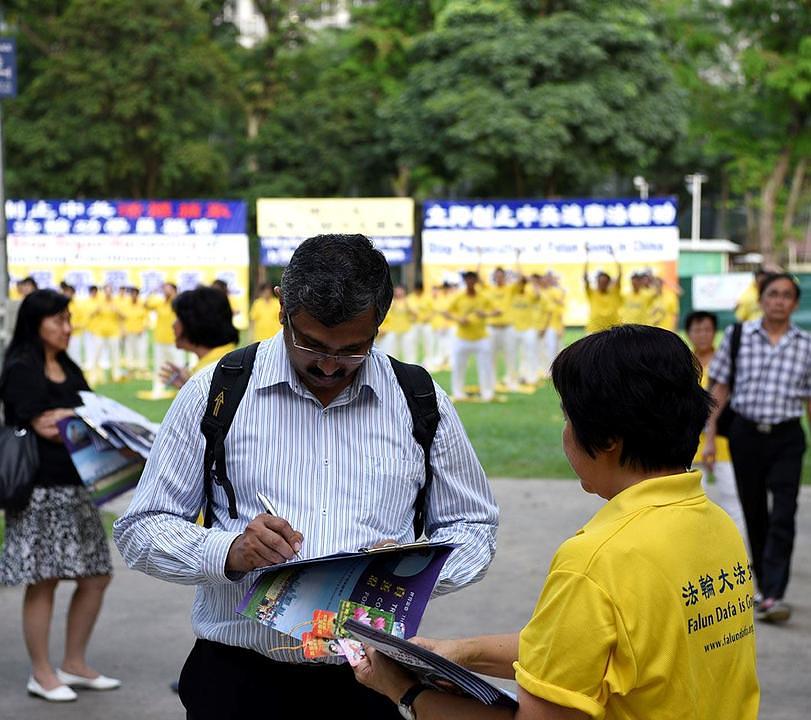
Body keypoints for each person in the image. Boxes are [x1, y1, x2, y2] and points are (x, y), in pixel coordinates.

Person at [113, 234, 498, 720]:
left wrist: (409, 572)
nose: (330, 364)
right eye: (311, 344)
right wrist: (227, 551)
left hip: (372, 682)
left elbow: (474, 527)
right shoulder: (218, 390)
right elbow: (141, 527)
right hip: (239, 681)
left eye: (353, 350)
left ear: (380, 322)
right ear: (281, 309)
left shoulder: (418, 399)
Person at [352, 324, 759, 720]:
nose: (565, 433)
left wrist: (403, 691)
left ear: (608, 438)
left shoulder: (596, 562)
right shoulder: (717, 525)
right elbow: (587, 649)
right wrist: (459, 653)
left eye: (569, 417)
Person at [0, 290, 121, 703]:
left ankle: (74, 663)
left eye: (68, 319)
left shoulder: (66, 365)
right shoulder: (21, 368)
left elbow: (85, 412)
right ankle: (41, 673)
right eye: (58, 321)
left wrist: (71, 416)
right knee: (44, 580)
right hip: (39, 491)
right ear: (37, 324)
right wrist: (74, 417)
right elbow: (46, 426)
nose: (67, 328)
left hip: (77, 488)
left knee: (96, 575)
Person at [704, 273, 811, 624]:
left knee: (783, 512)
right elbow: (718, 390)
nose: (779, 300)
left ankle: (774, 593)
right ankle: (765, 589)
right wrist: (709, 437)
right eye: (773, 294)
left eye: (786, 296)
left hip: (787, 438)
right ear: (761, 299)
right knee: (755, 513)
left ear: (795, 304)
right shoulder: (738, 336)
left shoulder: (806, 345)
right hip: (746, 436)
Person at [684, 311, 746, 539]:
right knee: (690, 501)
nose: (702, 335)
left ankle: (741, 554)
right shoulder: (683, 363)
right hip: (689, 440)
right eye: (697, 329)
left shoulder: (726, 360)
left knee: (732, 497)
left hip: (722, 438)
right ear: (689, 333)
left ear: (715, 332)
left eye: (707, 329)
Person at [159, 286, 239, 389]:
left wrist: (193, 387)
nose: (173, 324)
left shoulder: (211, 373)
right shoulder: (227, 362)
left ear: (194, 323)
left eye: (179, 318)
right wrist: (187, 387)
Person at [446, 271, 500, 402]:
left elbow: (498, 311)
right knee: (459, 367)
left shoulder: (483, 297)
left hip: (481, 337)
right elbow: (446, 312)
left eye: (472, 280)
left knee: (485, 367)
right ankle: (458, 393)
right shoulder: (459, 297)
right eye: (468, 280)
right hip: (462, 337)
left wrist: (485, 314)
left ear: (476, 281)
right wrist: (459, 319)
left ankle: (487, 393)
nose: (470, 282)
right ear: (465, 281)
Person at [583, 248, 622, 334]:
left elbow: (620, 274)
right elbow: (585, 277)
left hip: (612, 330)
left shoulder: (613, 292)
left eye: (604, 282)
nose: (602, 284)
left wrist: (615, 256)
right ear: (597, 282)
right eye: (600, 282)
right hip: (593, 330)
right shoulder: (592, 292)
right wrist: (587, 257)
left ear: (609, 283)